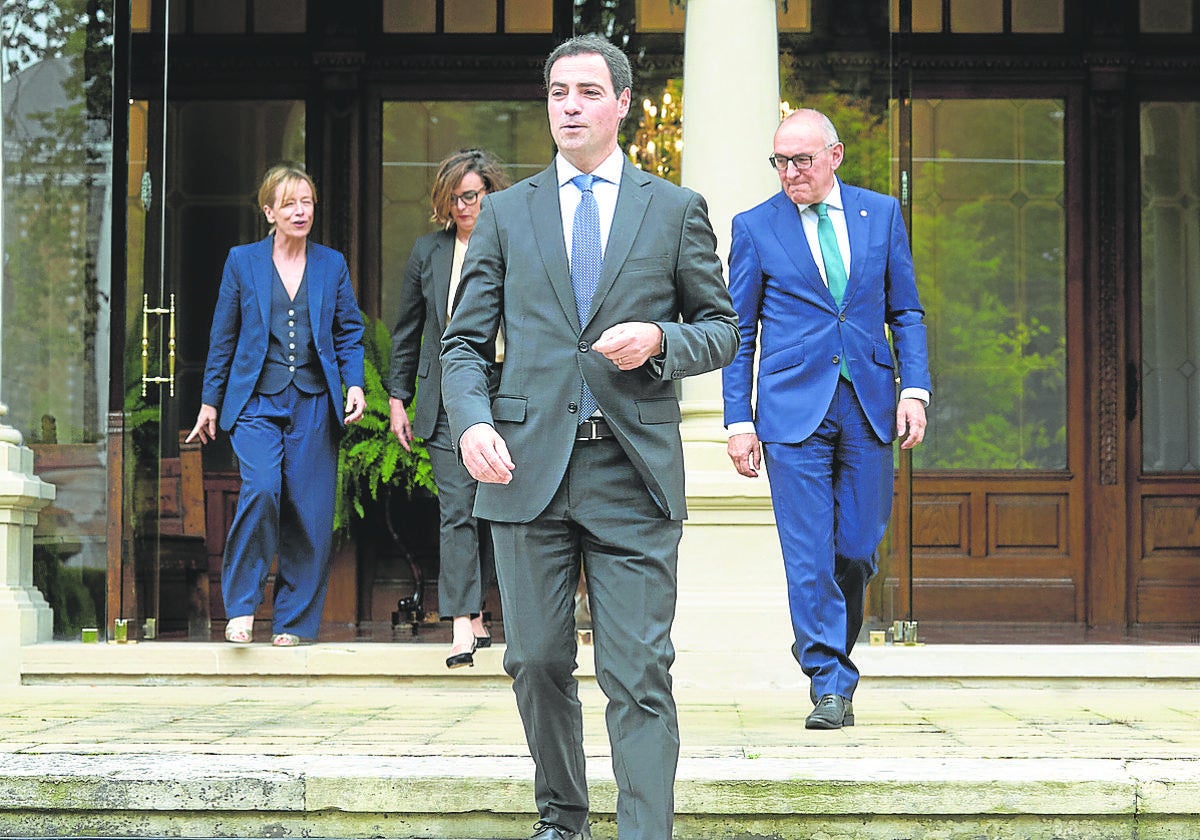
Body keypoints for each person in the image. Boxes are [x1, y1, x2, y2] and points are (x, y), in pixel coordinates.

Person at [439, 33, 738, 840]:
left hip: (632, 470)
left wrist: (660, 343)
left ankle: (645, 831)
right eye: (556, 92)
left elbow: (720, 328)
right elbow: (463, 344)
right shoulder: (503, 213)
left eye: (585, 92)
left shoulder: (674, 209)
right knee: (535, 660)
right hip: (524, 469)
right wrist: (471, 421)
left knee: (638, 672)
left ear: (622, 104)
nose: (568, 105)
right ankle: (563, 817)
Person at [721, 108, 931, 729]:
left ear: (834, 157)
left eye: (801, 161)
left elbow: (907, 312)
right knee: (808, 551)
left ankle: (827, 642)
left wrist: (913, 389)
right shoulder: (756, 227)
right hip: (791, 411)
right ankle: (828, 680)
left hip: (867, 402)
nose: (790, 173)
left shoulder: (881, 214)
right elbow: (740, 330)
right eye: (780, 162)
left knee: (858, 548)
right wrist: (739, 420)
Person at [186, 162, 366, 647]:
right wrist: (210, 402)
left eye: (306, 201)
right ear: (269, 211)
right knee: (262, 490)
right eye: (289, 203)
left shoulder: (331, 264)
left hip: (312, 402)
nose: (300, 211)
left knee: (309, 512)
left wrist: (354, 384)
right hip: (254, 404)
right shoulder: (242, 261)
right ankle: (242, 607)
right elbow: (222, 337)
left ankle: (293, 621)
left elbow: (349, 330)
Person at [386, 148, 511, 669]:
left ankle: (481, 616)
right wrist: (397, 398)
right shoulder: (428, 252)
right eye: (454, 198)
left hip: (507, 390)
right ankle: (461, 623)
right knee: (457, 510)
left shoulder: (514, 243)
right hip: (444, 398)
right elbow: (407, 330)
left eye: (472, 196)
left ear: (491, 194)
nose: (463, 207)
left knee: (497, 510)